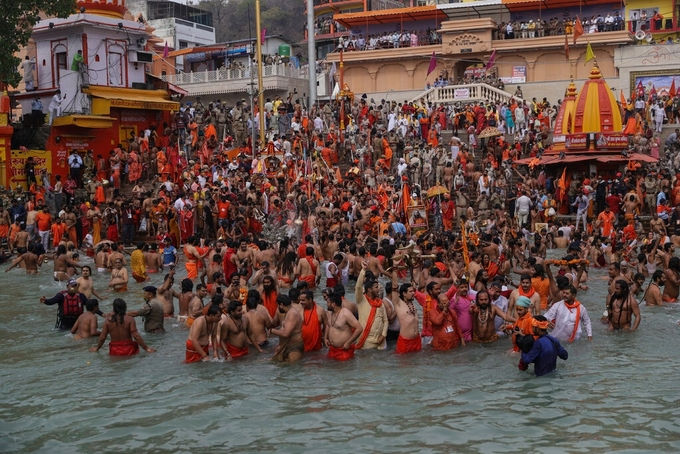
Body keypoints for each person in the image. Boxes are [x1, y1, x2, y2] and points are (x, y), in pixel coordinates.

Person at [90, 298, 155, 356]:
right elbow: (136, 336)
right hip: (129, 349)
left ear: (114, 309)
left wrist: (97, 348)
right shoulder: (130, 319)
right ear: (124, 307)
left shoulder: (108, 321)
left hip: (114, 351)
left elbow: (102, 337)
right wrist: (147, 348)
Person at [355, 265, 388, 350]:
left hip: (380, 343)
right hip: (366, 343)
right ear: (369, 289)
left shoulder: (380, 304)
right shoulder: (361, 300)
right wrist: (363, 270)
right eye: (376, 287)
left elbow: (385, 321)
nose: (379, 289)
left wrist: (383, 335)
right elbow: (358, 287)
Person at [325, 290, 362, 360]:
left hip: (344, 351)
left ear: (333, 304)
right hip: (332, 349)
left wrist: (348, 342)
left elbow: (359, 328)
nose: (326, 304)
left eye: (328, 303)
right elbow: (328, 325)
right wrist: (325, 338)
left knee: (343, 370)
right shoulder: (330, 313)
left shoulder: (345, 313)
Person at [271, 294, 304, 363]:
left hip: (294, 348)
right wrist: (280, 347)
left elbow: (286, 334)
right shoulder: (288, 312)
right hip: (286, 346)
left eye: (278, 305)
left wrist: (272, 330)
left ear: (282, 304)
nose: (278, 308)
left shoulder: (292, 314)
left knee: (292, 368)